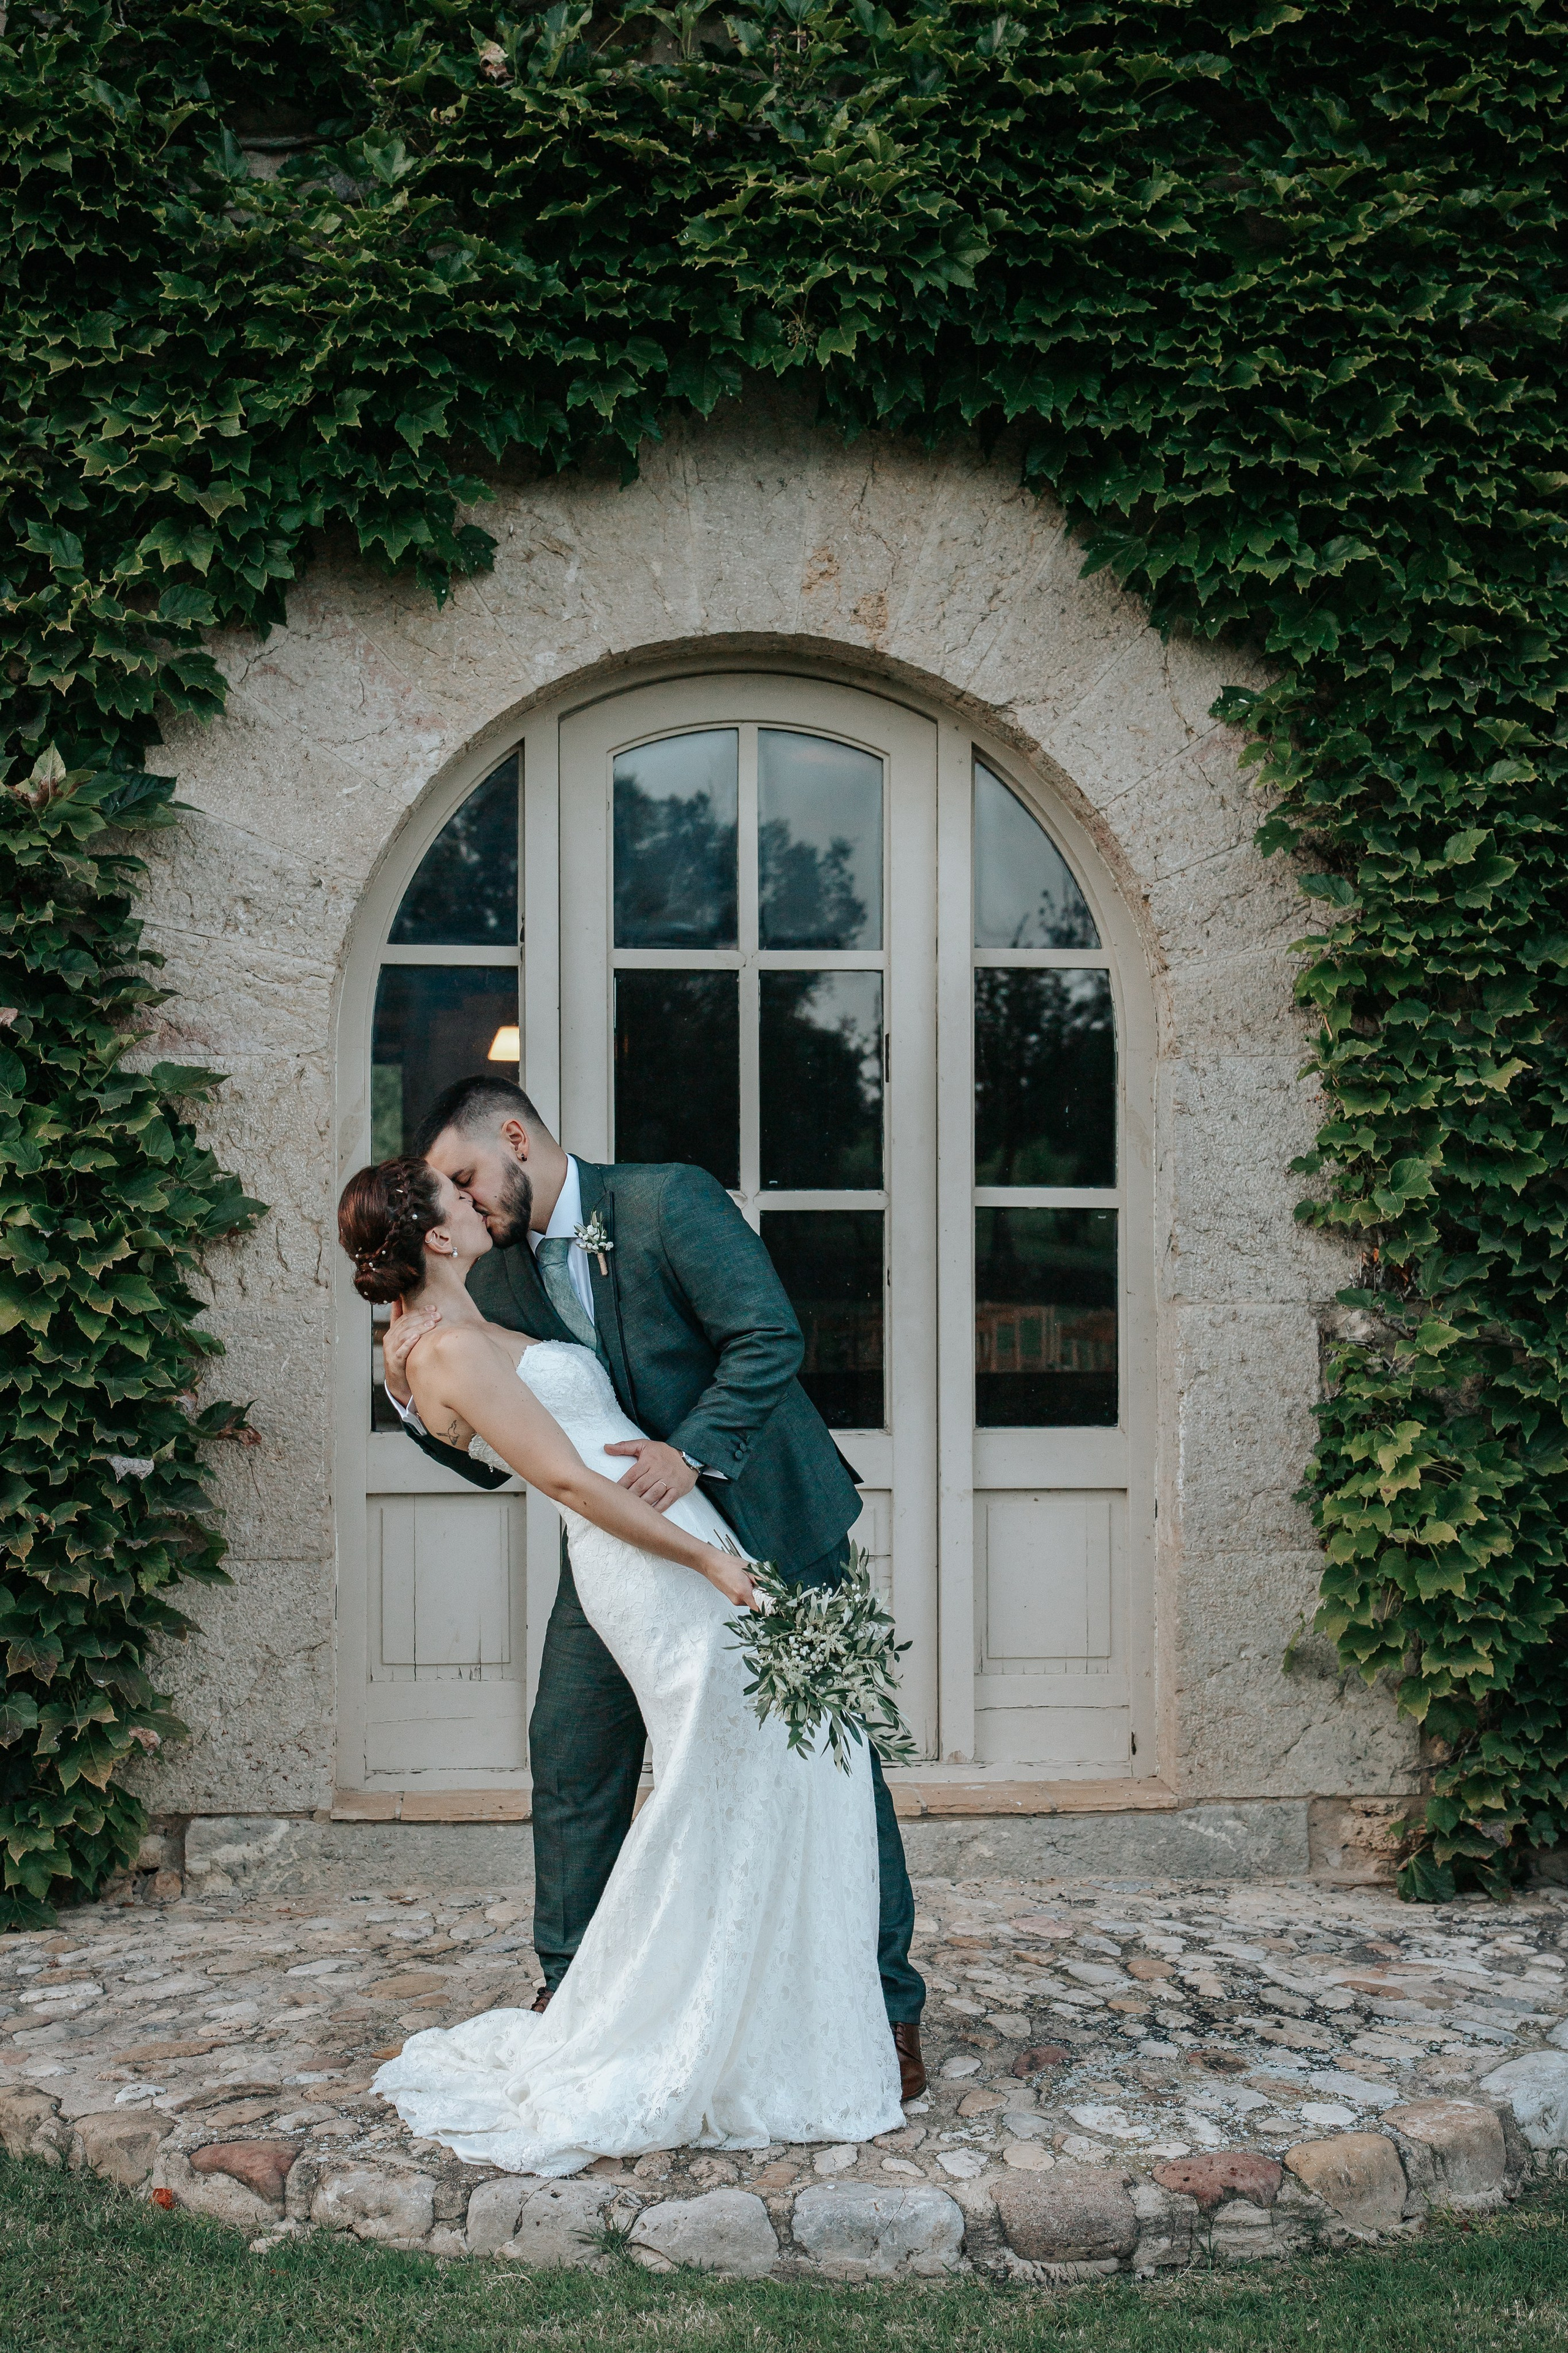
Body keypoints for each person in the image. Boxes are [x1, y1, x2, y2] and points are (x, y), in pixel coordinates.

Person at [338, 1157, 904, 2170]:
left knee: (794, 1761)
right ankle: (659, 2008)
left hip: (677, 1528)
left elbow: (585, 1384)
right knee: (715, 1775)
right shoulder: (445, 1346)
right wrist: (706, 1557)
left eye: (470, 1182)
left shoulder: (468, 1314)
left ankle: (795, 2001)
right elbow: (558, 1471)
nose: (477, 1204)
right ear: (431, 1236)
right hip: (653, 1562)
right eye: (458, 1197)